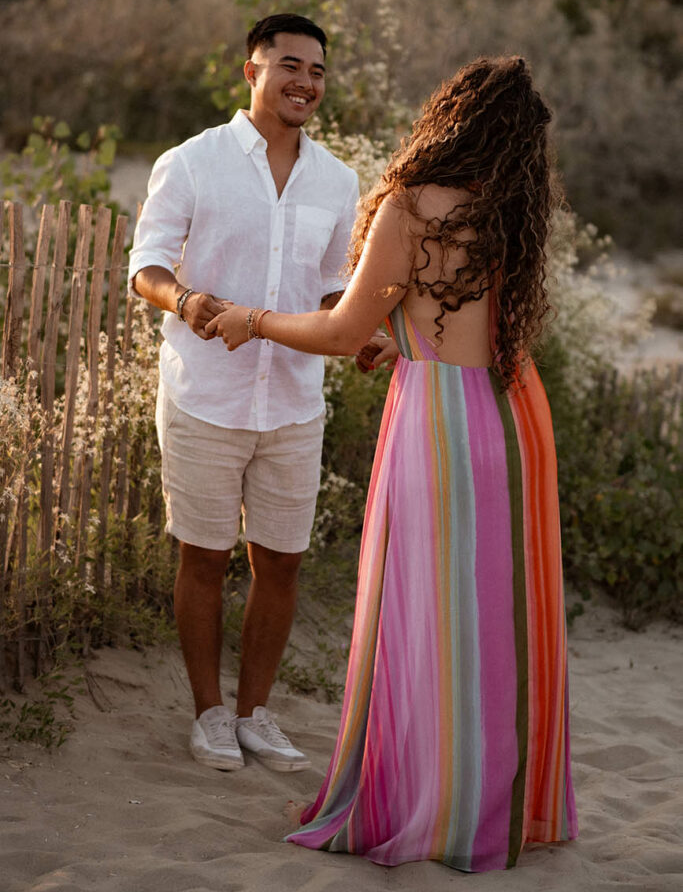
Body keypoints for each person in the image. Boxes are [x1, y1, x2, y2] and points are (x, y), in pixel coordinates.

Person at [206, 56, 579, 872]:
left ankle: (422, 802)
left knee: (425, 617)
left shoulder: (413, 205)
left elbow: (339, 335)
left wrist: (253, 318)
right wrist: (398, 337)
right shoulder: (512, 214)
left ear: (449, 118)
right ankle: (490, 802)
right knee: (493, 621)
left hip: (437, 423)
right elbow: (454, 319)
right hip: (511, 414)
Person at [127, 14, 359, 773]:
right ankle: (209, 713)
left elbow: (330, 292)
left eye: (317, 71)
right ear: (251, 72)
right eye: (290, 64)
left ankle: (257, 713)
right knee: (203, 555)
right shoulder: (192, 161)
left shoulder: (338, 179)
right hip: (206, 397)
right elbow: (147, 266)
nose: (306, 81)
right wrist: (187, 302)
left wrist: (360, 335)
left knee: (282, 562)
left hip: (293, 402)